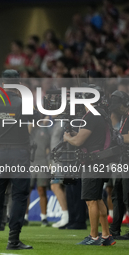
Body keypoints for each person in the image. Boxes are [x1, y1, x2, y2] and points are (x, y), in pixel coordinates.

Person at [0, 70, 33, 250]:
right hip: (19, 153)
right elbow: (31, 128)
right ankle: (13, 240)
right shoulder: (23, 102)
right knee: (18, 197)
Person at [63, 90, 116, 246]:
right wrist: (74, 133)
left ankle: (93, 237)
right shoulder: (101, 113)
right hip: (101, 161)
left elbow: (79, 142)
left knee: (91, 200)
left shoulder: (92, 115)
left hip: (93, 162)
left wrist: (67, 137)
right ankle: (106, 236)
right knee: (97, 198)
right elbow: (91, 136)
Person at [108, 90, 129, 240]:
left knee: (127, 195)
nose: (116, 108)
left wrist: (116, 137)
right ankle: (115, 229)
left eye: (118, 105)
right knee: (118, 194)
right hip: (123, 160)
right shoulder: (124, 117)